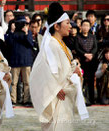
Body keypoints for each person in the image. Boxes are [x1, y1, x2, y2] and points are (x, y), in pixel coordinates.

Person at [30, 2, 88, 130]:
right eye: (67, 23)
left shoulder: (62, 45)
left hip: (65, 96)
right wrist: (55, 89)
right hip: (57, 97)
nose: (70, 27)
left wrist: (75, 69)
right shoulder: (50, 45)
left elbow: (64, 68)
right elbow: (41, 73)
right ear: (56, 26)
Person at [6, 16, 34, 106]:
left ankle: (26, 100)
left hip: (26, 60)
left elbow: (30, 43)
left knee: (27, 82)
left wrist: (26, 33)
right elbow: (9, 44)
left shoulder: (28, 33)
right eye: (21, 24)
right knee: (14, 82)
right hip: (15, 60)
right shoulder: (13, 33)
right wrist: (12, 31)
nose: (23, 25)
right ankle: (13, 100)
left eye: (25, 23)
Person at [75, 19, 98, 105]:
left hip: (91, 62)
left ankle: (91, 99)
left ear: (90, 27)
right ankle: (82, 100)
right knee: (82, 81)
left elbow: (95, 47)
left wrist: (91, 55)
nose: (85, 27)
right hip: (82, 62)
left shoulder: (93, 37)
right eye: (83, 25)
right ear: (81, 26)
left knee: (91, 81)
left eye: (87, 25)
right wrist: (85, 55)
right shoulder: (78, 37)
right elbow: (77, 48)